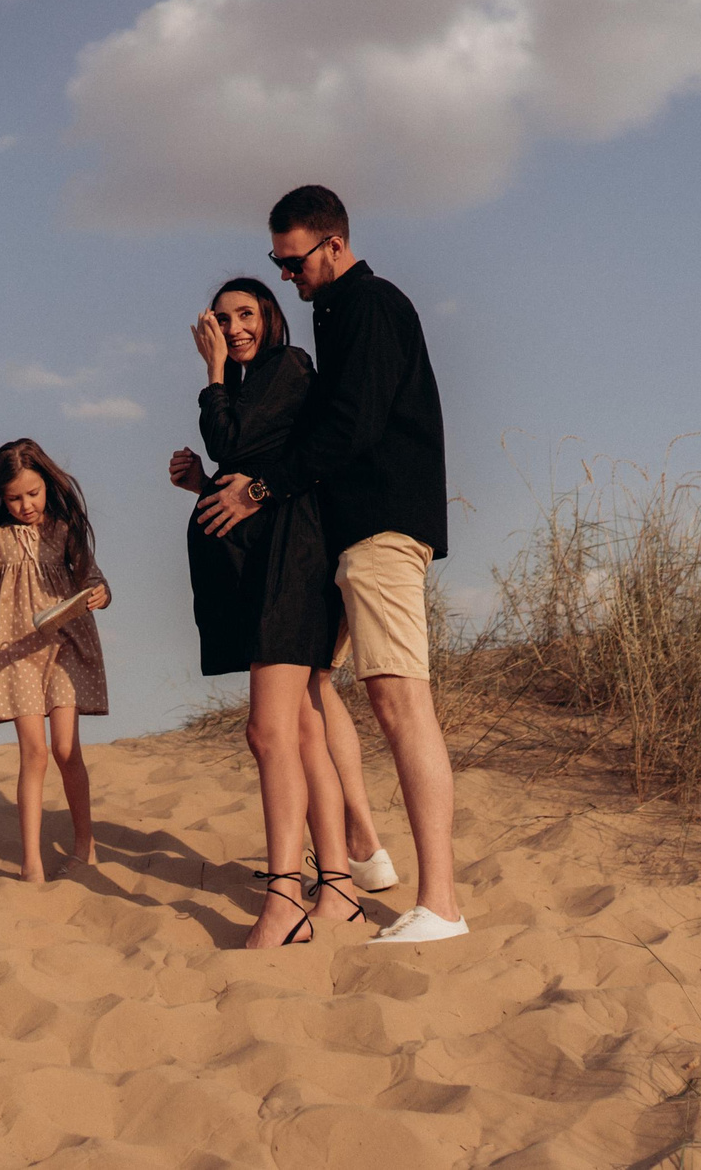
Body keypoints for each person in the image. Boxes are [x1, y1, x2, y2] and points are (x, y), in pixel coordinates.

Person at [197, 185, 467, 945]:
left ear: (333, 244)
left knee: (399, 701)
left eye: (293, 262)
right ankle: (361, 861)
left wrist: (261, 487)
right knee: (321, 693)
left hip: (383, 524)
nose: (288, 276)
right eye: (279, 265)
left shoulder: (372, 304)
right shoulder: (334, 311)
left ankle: (440, 903)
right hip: (344, 535)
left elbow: (352, 423)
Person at [168, 277, 398, 946]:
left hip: (290, 570)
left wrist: (211, 375)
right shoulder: (253, 382)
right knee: (299, 731)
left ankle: (282, 900)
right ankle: (339, 891)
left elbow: (233, 440)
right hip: (267, 569)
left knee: (267, 733)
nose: (235, 327)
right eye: (223, 317)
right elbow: (244, 461)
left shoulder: (287, 367)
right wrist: (200, 483)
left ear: (269, 316)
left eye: (247, 314)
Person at [0, 438, 111, 884]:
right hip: (15, 653)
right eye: (14, 497)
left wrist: (101, 594)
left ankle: (83, 846)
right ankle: (31, 861)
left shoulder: (64, 529)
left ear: (47, 486)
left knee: (66, 748)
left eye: (33, 493)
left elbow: (92, 578)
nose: (25, 504)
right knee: (33, 753)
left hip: (64, 645)